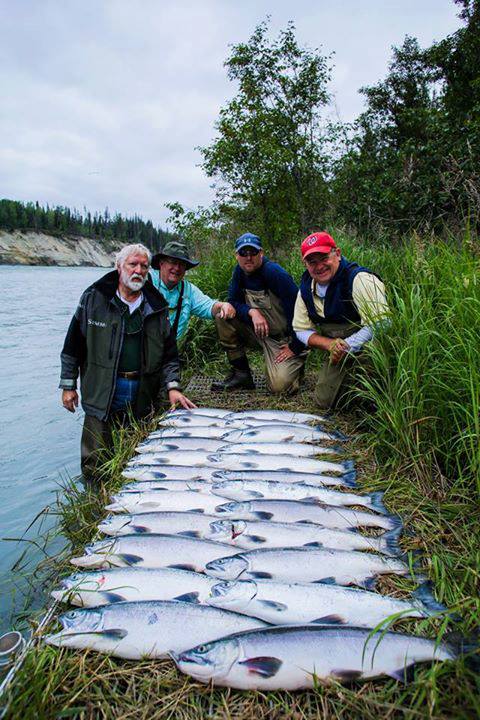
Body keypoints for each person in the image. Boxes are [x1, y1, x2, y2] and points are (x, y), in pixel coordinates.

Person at [60, 243, 195, 480]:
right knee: (95, 460)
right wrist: (68, 385)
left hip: (143, 392)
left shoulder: (157, 306)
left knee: (139, 453)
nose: (138, 271)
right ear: (119, 267)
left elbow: (170, 355)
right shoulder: (94, 298)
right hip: (101, 391)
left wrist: (173, 387)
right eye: (133, 264)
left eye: (143, 266)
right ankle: (95, 502)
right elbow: (73, 344)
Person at [293, 231, 389, 409]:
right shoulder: (305, 289)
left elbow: (382, 323)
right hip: (338, 350)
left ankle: (377, 392)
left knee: (372, 395)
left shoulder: (359, 279)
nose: (319, 266)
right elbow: (300, 330)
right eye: (312, 262)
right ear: (304, 264)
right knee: (324, 402)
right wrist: (330, 345)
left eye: (323, 258)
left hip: (370, 345)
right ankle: (353, 389)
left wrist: (346, 345)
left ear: (337, 253)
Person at [212, 233, 307, 393]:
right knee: (223, 317)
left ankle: (297, 366)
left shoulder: (275, 273)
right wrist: (252, 312)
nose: (248, 258)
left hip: (283, 339)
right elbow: (233, 302)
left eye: (253, 253)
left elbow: (299, 310)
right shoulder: (239, 272)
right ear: (237, 256)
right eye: (243, 253)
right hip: (259, 333)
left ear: (261, 253)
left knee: (279, 388)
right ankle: (242, 375)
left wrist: (295, 346)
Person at [151, 240, 236, 340]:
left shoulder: (188, 290)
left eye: (182, 264)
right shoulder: (146, 280)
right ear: (161, 263)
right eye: (173, 262)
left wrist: (223, 305)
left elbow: (208, 306)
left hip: (171, 352)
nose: (177, 268)